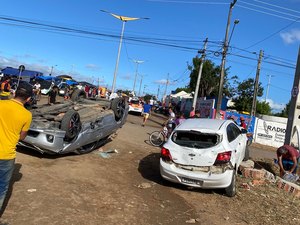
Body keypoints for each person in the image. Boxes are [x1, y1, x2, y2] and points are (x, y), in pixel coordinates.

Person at [0, 83, 32, 212]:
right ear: (28, 98)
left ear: (14, 93)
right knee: (2, 187)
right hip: (6, 155)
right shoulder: (27, 115)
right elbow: (22, 137)